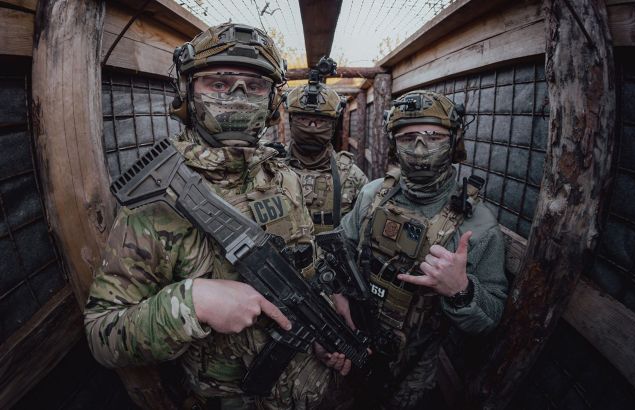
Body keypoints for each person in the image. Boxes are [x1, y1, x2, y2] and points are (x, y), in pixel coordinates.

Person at [84, 23, 338, 410]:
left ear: (273, 101)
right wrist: (191, 304)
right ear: (188, 92)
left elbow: (306, 262)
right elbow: (102, 333)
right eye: (219, 83)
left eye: (255, 86)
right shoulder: (158, 200)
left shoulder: (283, 178)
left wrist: (322, 322)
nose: (237, 97)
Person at [339, 90, 509, 409]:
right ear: (393, 144)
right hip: (348, 343)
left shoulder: (478, 226)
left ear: (454, 141)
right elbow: (340, 250)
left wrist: (461, 291)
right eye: (408, 137)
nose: (419, 149)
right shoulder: (373, 195)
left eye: (433, 136)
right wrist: (336, 297)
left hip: (410, 373)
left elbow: (491, 319)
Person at [284, 83, 368, 233]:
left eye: (321, 121)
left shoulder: (352, 177)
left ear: (333, 125)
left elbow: (363, 234)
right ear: (291, 121)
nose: (312, 127)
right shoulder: (269, 168)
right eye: (303, 119)